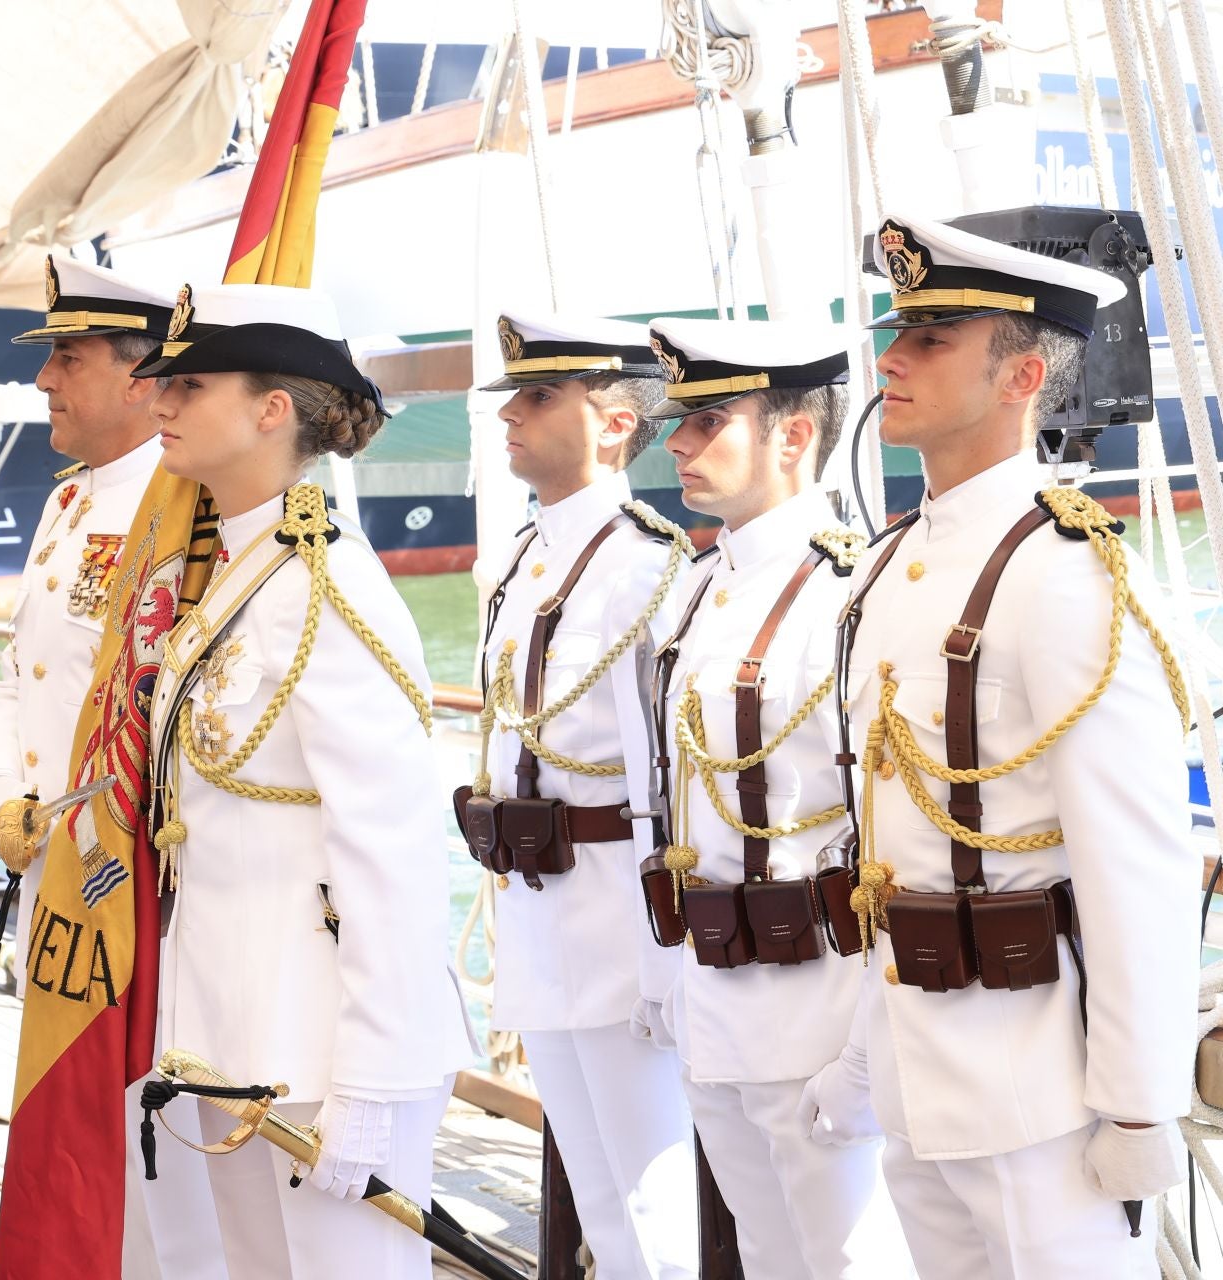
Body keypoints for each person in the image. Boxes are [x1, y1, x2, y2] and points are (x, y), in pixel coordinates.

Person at [810, 213, 1193, 1275]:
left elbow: (1137, 866)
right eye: (899, 331)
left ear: (1023, 373)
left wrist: (1137, 1104)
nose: (891, 356)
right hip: (918, 1083)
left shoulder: (1064, 576)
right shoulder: (889, 569)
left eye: (932, 338)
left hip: (1045, 1102)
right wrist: (859, 1053)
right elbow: (885, 850)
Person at [136, 283, 472, 1279]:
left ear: (272, 409)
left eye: (190, 382)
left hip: (325, 1050)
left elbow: (394, 850)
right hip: (233, 1033)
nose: (160, 398)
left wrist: (373, 1079)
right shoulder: (243, 574)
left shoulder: (329, 586)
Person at [643, 317, 911, 1276]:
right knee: (764, 1259)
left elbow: (895, 843)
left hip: (818, 1012)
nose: (676, 439)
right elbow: (677, 803)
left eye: (709, 419)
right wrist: (666, 981)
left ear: (792, 437)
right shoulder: (698, 588)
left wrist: (868, 1063)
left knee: (850, 1265)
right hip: (713, 994)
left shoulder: (855, 593)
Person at [0, 255, 224, 1278]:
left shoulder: (188, 518)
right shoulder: (70, 505)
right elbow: (13, 678)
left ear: (138, 375)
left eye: (65, 359)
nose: (42, 383)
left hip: (132, 897)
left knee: (150, 1172)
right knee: (77, 1159)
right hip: (52, 874)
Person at [462, 313, 697, 1279]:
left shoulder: (647, 563)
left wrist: (664, 959)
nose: (511, 414)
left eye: (539, 396)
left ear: (610, 423)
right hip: (536, 909)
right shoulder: (520, 560)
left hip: (614, 916)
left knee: (656, 1196)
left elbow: (665, 780)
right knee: (597, 1195)